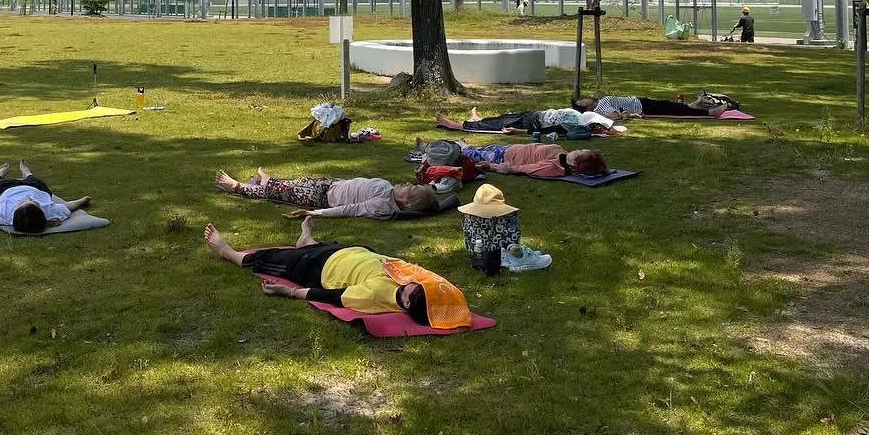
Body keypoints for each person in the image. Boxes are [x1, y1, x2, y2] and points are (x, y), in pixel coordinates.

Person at [203, 219, 473, 328]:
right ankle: (307, 241)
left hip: (317, 267)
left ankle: (228, 251)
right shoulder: (413, 279)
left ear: (406, 302)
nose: (418, 282)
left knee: (267, 259)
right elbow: (445, 293)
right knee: (325, 247)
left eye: (417, 288)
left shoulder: (379, 295)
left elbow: (333, 296)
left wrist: (291, 291)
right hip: (353, 251)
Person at [213, 169, 440, 219]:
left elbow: (351, 209)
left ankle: (236, 187)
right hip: (329, 185)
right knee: (292, 185)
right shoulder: (389, 189)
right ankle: (266, 181)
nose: (408, 183)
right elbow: (356, 185)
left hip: (321, 198)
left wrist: (316, 213)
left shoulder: (382, 205)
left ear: (406, 201)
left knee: (281, 192)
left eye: (410, 188)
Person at [0, 160, 90, 232]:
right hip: (34, 187)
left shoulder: (3, 215)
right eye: (34, 202)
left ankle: (0, 173)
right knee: (39, 183)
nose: (28, 199)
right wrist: (82, 200)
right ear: (41, 212)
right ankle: (27, 173)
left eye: (24, 203)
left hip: (5, 189)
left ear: (15, 211)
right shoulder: (50, 212)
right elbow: (68, 206)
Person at [416, 137, 608, 178]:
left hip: (500, 157)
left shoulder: (553, 168)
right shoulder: (561, 152)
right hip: (504, 149)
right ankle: (454, 144)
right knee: (471, 150)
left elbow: (521, 169)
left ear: (575, 163)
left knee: (463, 154)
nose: (577, 149)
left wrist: (491, 166)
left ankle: (428, 151)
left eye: (580, 152)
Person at [434, 106, 623, 136]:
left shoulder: (573, 126)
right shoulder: (577, 117)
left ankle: (453, 124)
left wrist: (518, 132)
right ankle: (476, 118)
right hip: (533, 115)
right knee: (501, 118)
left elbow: (546, 132)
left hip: (530, 124)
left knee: (495, 125)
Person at [575, 94, 729, 118]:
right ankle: (710, 113)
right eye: (582, 102)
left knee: (670, 105)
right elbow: (616, 114)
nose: (585, 99)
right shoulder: (599, 108)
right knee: (674, 110)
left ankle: (695, 106)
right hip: (641, 108)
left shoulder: (600, 100)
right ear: (587, 108)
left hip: (639, 101)